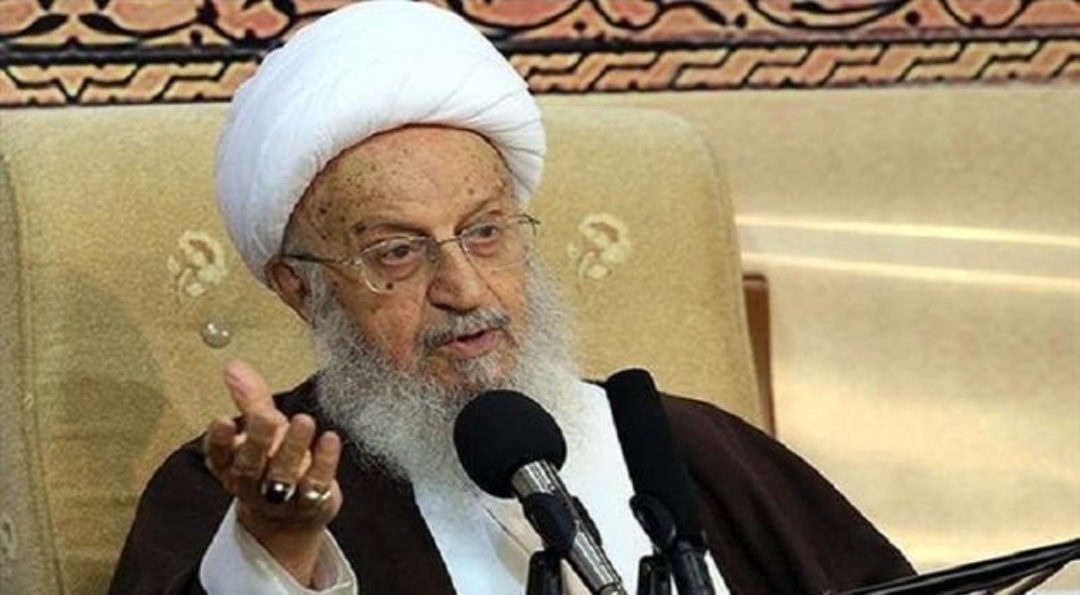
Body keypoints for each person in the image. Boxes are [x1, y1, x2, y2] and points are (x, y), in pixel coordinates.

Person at [109, 2, 915, 594]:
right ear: (302, 287)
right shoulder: (239, 494)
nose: (464, 289)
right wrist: (277, 552)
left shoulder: (680, 445)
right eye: (397, 252)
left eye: (487, 232)